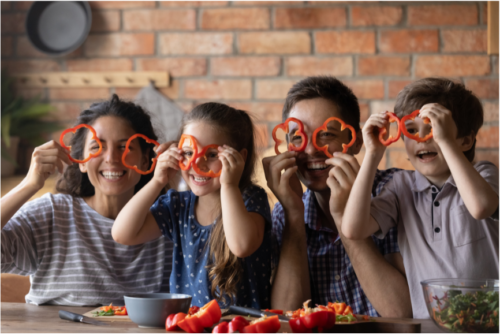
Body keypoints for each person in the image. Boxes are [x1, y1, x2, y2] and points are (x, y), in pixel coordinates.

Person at [342, 78, 499, 318]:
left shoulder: (483, 174)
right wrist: (372, 154)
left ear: (465, 140)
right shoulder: (401, 187)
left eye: (434, 129)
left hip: (488, 322)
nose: (422, 138)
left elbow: (480, 207)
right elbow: (353, 229)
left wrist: (446, 141)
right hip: (429, 325)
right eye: (411, 130)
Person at [1, 94, 173, 306]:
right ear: (81, 161)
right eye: (96, 147)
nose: (111, 158)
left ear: (146, 159)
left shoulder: (170, 221)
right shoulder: (52, 213)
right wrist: (28, 185)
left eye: (124, 147)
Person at [264, 76, 412, 317]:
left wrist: (344, 216)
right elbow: (286, 319)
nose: (311, 149)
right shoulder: (287, 209)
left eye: (327, 135)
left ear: (355, 143)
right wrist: (293, 214)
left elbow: (403, 315)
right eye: (298, 137)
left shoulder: (395, 191)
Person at [112, 102, 273, 308]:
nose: (198, 164)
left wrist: (229, 184)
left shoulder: (251, 198)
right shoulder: (178, 205)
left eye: (212, 154)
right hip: (188, 326)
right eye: (188, 153)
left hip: (242, 327)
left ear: (239, 157)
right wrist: (157, 181)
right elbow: (122, 233)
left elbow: (241, 246)